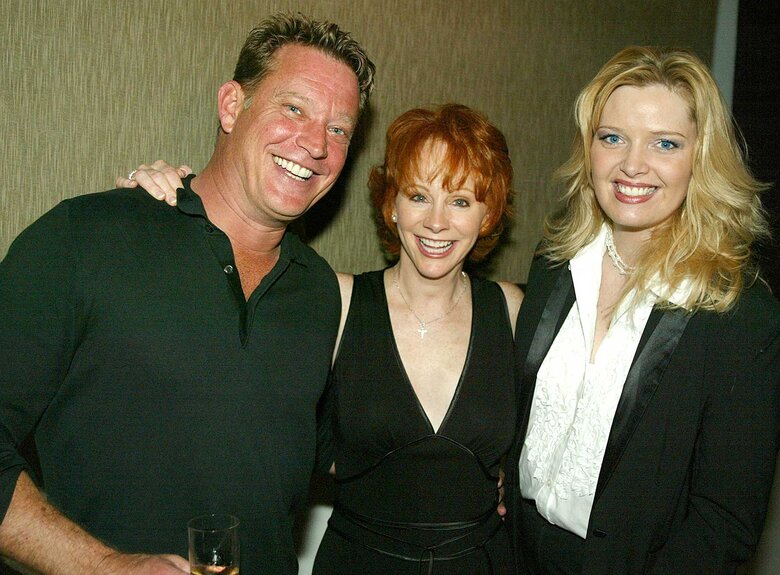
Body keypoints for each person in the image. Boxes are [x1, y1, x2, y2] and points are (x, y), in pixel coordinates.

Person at [0, 12, 374, 575]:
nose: (315, 144)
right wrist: (104, 566)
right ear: (231, 105)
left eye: (339, 128)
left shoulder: (320, 292)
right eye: (293, 108)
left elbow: (333, 450)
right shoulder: (86, 239)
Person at [126, 103, 523, 574]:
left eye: (460, 201)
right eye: (418, 196)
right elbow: (219, 291)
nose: (436, 221)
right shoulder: (336, 299)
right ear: (391, 206)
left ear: (487, 213)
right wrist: (166, 198)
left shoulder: (514, 310)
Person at [505, 46, 780, 574]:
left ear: (701, 160)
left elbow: (722, 527)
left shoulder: (748, 324)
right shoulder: (554, 266)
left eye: (665, 143)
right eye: (612, 137)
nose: (632, 164)